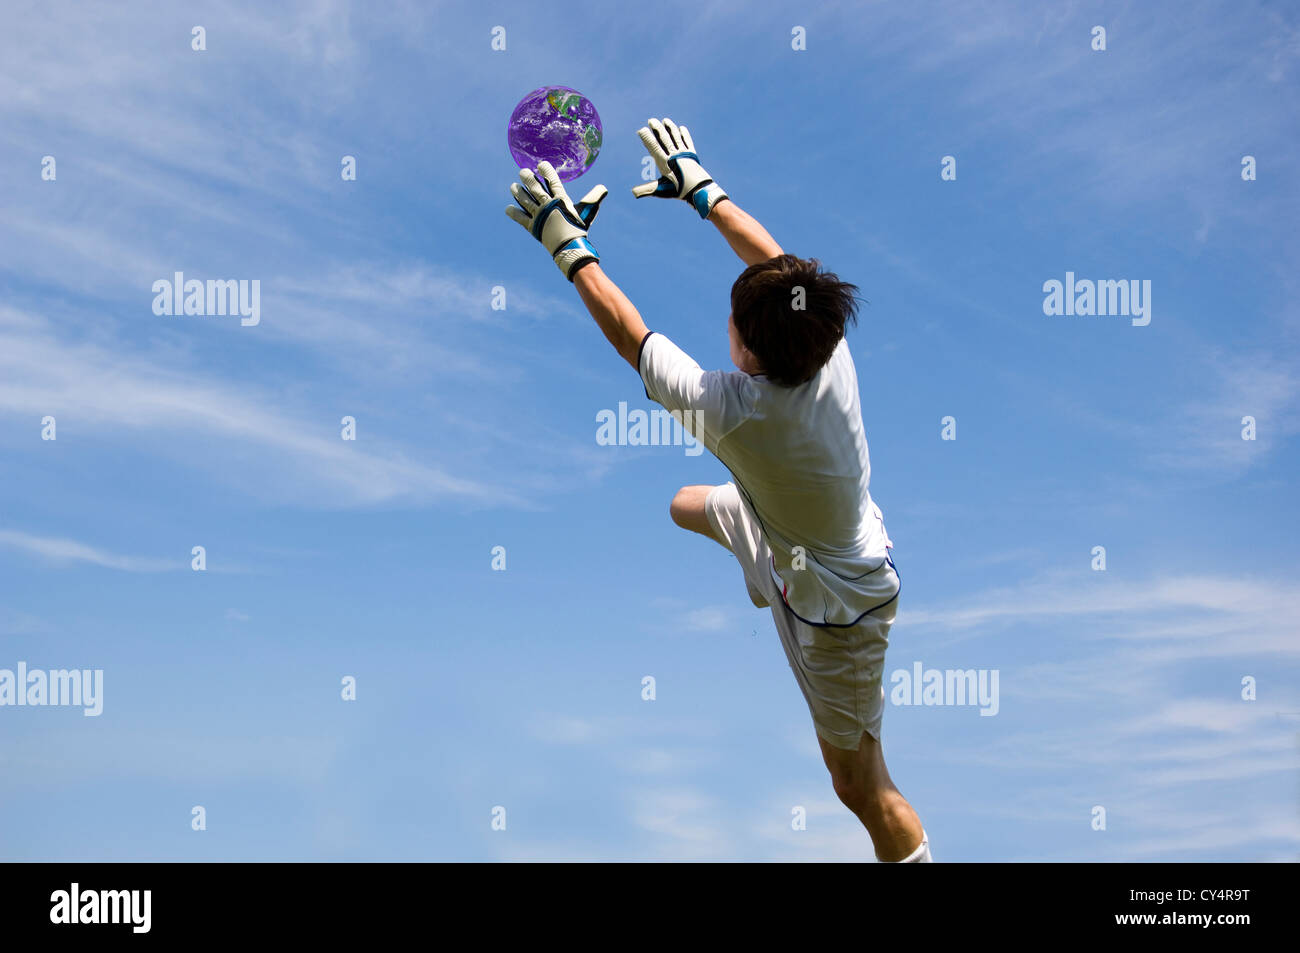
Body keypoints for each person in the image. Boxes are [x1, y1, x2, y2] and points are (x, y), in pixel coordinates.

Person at [505, 117, 930, 862]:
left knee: (859, 785)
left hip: (840, 605)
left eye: (731, 320)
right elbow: (777, 264)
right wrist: (702, 189)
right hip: (798, 533)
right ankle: (759, 568)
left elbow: (628, 332)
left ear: (746, 347)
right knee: (685, 504)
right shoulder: (826, 347)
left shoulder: (734, 413)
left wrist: (565, 242)